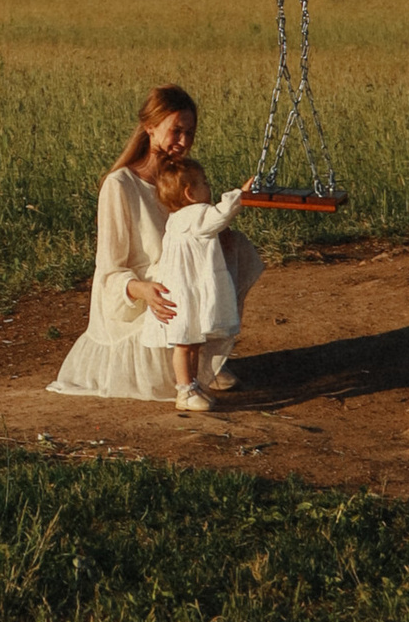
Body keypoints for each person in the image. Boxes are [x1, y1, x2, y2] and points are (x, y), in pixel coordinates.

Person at [45, 84, 263, 408]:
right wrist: (142, 290)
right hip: (145, 292)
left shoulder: (181, 177)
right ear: (150, 128)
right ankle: (187, 379)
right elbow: (108, 269)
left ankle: (207, 359)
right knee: (182, 279)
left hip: (179, 280)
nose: (184, 142)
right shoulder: (120, 185)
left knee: (234, 246)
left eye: (190, 133)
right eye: (176, 131)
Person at [152, 172, 256, 414]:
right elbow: (221, 214)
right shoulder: (196, 215)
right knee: (185, 344)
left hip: (183, 290)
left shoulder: (176, 218)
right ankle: (185, 389)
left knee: (191, 342)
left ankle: (192, 385)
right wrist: (241, 193)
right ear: (189, 193)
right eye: (205, 183)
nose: (209, 188)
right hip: (186, 293)